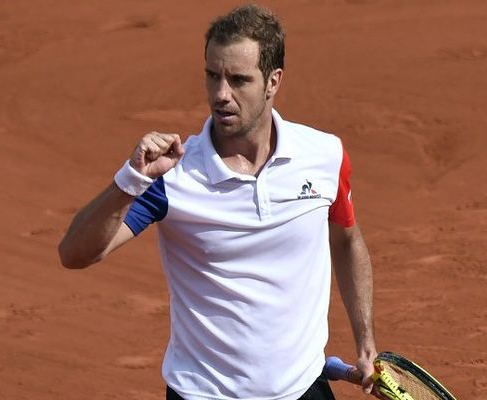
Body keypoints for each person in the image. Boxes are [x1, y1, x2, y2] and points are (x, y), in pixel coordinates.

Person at [59, 4, 377, 400]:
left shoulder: (324, 154)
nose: (221, 95)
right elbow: (75, 254)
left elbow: (347, 241)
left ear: (273, 81)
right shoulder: (171, 176)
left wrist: (365, 344)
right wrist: (131, 180)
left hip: (303, 389)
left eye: (239, 80)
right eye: (213, 76)